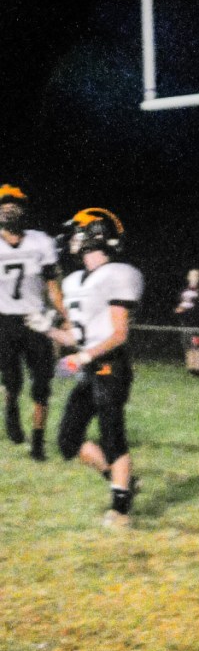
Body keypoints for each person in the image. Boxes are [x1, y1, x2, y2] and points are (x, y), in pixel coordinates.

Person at [49, 208, 143, 529]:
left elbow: (119, 334)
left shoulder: (119, 273)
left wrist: (83, 358)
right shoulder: (75, 280)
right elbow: (78, 335)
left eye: (78, 231)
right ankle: (121, 481)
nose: (72, 238)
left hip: (111, 366)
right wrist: (44, 327)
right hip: (90, 366)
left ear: (95, 234)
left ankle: (121, 510)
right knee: (67, 440)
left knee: (112, 435)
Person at [0, 183, 67, 461]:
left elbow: (53, 287)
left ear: (23, 211)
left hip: (35, 320)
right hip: (4, 320)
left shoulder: (41, 242)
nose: (8, 211)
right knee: (12, 380)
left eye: (13, 206)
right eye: (3, 207)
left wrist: (65, 318)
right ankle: (11, 407)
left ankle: (38, 440)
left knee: (42, 383)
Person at [174, 268, 199, 376]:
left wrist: (189, 310)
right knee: (187, 345)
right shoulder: (184, 290)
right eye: (191, 275)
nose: (193, 278)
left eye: (196, 276)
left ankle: (198, 369)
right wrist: (179, 310)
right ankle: (190, 368)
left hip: (196, 323)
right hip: (184, 323)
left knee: (196, 345)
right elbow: (179, 304)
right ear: (188, 277)